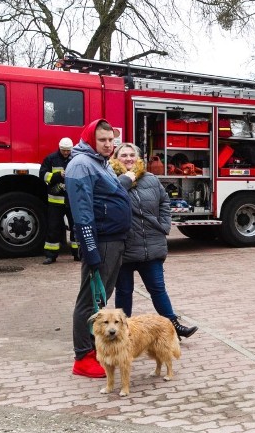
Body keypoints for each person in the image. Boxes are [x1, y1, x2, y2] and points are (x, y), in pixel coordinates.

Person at [65, 120, 132, 378]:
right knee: (89, 301)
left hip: (112, 240)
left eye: (110, 140)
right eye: (102, 140)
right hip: (101, 241)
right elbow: (82, 213)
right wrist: (90, 249)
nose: (108, 144)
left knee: (99, 299)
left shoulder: (99, 163)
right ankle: (82, 357)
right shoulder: (81, 164)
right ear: (90, 140)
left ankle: (94, 350)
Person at [111, 143, 198, 339]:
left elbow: (165, 202)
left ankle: (174, 327)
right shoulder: (111, 180)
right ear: (116, 158)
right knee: (124, 291)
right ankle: (124, 331)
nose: (128, 158)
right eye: (123, 155)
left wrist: (164, 225)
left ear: (138, 157)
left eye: (132, 155)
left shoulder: (150, 179)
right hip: (124, 246)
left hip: (151, 244)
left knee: (158, 289)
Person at [40, 138, 79, 264]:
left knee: (76, 227)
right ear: (59, 148)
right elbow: (43, 174)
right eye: (64, 150)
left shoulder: (76, 159)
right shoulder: (51, 159)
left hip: (72, 200)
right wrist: (58, 176)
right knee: (53, 227)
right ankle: (51, 255)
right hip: (55, 201)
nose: (66, 153)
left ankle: (78, 254)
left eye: (68, 150)